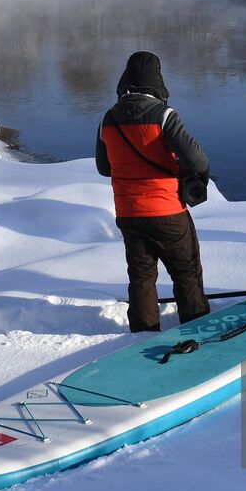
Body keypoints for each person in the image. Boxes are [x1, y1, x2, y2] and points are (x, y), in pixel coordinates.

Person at [95, 51, 211, 332]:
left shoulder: (108, 120)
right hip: (167, 211)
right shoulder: (164, 115)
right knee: (186, 272)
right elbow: (197, 160)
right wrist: (191, 176)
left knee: (141, 276)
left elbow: (104, 167)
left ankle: (143, 335)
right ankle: (197, 328)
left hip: (129, 213)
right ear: (157, 80)